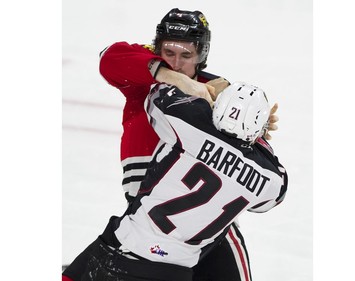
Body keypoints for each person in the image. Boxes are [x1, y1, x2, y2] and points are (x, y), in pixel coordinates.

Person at [63, 81, 288, 281]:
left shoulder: (188, 121)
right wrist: (258, 140)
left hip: (124, 246)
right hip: (175, 271)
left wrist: (206, 94)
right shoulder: (270, 178)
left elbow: (156, 94)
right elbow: (273, 197)